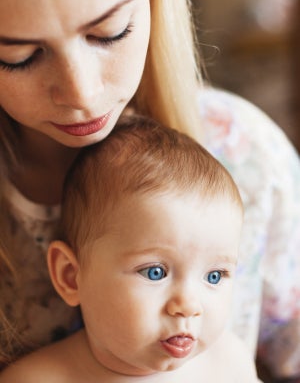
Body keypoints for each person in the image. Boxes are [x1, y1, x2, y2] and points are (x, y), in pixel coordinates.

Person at [0, 0, 298, 381]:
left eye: (111, 32)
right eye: (18, 58)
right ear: (70, 274)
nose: (82, 94)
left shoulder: (249, 155)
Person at [0, 115, 262, 382]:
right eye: (155, 272)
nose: (188, 306)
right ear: (70, 276)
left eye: (214, 276)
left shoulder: (229, 364)